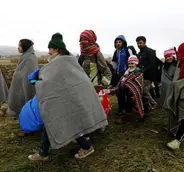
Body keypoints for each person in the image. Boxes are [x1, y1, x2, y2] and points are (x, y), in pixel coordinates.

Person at [28, 33, 108, 161]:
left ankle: (86, 147)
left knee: (69, 123)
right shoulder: (65, 60)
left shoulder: (62, 62)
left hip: (69, 98)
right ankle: (43, 153)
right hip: (62, 98)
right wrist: (41, 78)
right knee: (52, 121)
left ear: (57, 50)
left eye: (51, 49)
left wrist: (39, 80)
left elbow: (59, 79)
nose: (49, 52)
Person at [7, 39, 38, 137]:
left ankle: (28, 130)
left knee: (26, 107)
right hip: (21, 87)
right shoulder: (24, 57)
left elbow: (29, 75)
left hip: (26, 88)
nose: (18, 47)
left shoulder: (30, 59)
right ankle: (26, 127)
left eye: (19, 46)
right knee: (22, 107)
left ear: (24, 47)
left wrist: (26, 90)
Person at [136, 36, 162, 114]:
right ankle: (147, 106)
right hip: (142, 75)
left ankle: (153, 103)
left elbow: (152, 64)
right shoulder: (140, 53)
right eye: (138, 43)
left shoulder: (150, 51)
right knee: (148, 90)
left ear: (144, 42)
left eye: (140, 43)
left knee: (144, 91)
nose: (139, 45)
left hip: (149, 75)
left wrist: (143, 71)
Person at [115, 55, 144, 124]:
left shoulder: (138, 72)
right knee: (124, 101)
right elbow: (123, 79)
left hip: (134, 91)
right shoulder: (127, 71)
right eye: (129, 63)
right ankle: (126, 114)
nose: (130, 65)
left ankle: (129, 117)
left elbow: (138, 82)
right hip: (125, 90)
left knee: (130, 102)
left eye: (132, 63)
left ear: (136, 63)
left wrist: (128, 83)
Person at [112, 35, 136, 114]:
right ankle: (121, 107)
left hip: (127, 74)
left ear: (123, 42)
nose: (118, 43)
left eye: (119, 42)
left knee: (128, 92)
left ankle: (129, 108)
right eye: (116, 42)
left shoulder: (127, 50)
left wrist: (131, 72)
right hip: (119, 74)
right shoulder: (116, 52)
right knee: (119, 91)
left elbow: (133, 60)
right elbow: (114, 62)